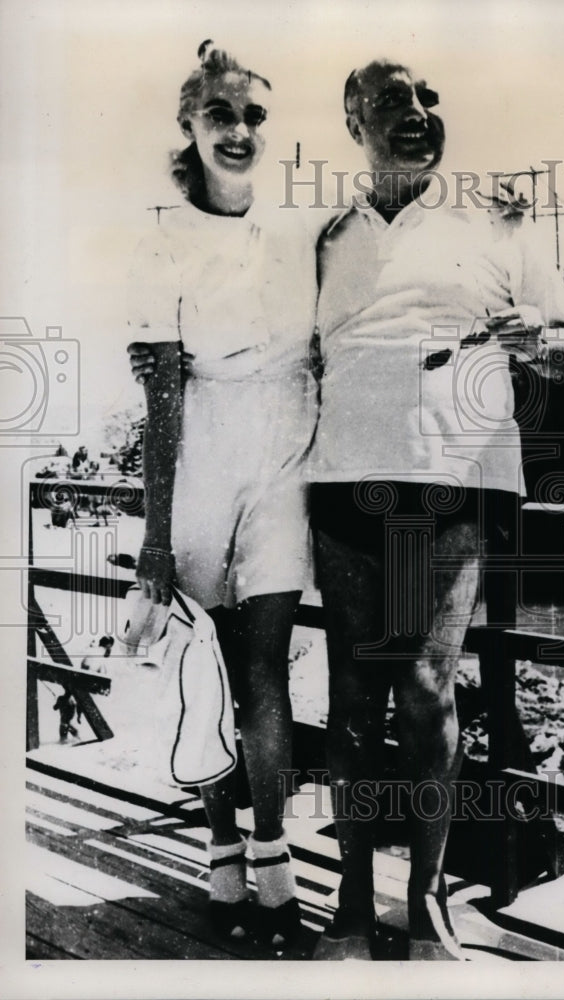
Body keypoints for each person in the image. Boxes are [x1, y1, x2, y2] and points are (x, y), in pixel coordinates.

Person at [307, 59, 564, 960]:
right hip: (343, 479)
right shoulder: (322, 235)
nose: (419, 112)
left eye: (429, 98)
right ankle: (352, 906)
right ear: (354, 120)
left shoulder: (496, 219)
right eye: (393, 99)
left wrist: (539, 339)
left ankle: (424, 903)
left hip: (453, 478)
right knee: (352, 697)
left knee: (427, 692)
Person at [127, 40, 317, 949]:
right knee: (202, 670)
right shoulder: (159, 236)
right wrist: (156, 537)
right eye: (220, 115)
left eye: (253, 116)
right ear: (189, 125)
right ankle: (221, 857)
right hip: (200, 450)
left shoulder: (301, 230)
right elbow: (161, 399)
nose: (238, 131)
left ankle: (275, 868)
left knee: (264, 669)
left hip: (285, 453)